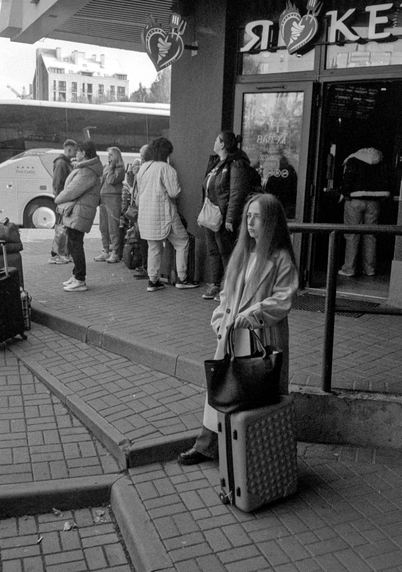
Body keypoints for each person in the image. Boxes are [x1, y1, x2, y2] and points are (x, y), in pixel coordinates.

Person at [178, 193, 299, 465]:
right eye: (248, 217)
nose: (251, 223)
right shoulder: (242, 254)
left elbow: (283, 299)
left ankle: (251, 453)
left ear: (272, 222)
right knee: (222, 388)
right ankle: (208, 444)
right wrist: (220, 321)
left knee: (255, 394)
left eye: (258, 217)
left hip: (262, 338)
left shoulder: (280, 258)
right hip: (234, 336)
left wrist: (252, 315)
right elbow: (226, 294)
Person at [136, 137, 199, 292]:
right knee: (182, 242)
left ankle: (153, 281)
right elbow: (174, 192)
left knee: (154, 247)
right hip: (165, 214)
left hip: (146, 215)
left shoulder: (144, 168)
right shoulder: (166, 168)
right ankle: (182, 279)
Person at [199, 131, 254, 302]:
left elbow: (236, 193)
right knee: (213, 251)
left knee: (226, 252)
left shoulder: (235, 165)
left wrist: (230, 218)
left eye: (217, 140)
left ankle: (229, 288)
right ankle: (216, 284)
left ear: (223, 144)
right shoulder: (216, 163)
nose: (214, 142)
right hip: (212, 215)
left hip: (223, 217)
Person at [54, 141, 103, 292]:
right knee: (74, 245)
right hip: (78, 211)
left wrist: (57, 199)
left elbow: (71, 190)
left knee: (75, 246)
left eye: (79, 152)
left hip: (79, 213)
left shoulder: (86, 171)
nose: (76, 154)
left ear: (84, 153)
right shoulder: (86, 169)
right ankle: (76, 276)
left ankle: (80, 279)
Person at [338, 147, 391, 277]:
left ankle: (349, 269)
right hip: (374, 202)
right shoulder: (381, 161)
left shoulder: (353, 160)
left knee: (352, 235)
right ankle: (369, 269)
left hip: (355, 200)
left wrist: (345, 194)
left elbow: (347, 180)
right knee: (370, 235)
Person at [94, 146, 125, 263]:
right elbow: (101, 181)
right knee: (103, 226)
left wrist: (111, 168)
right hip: (103, 197)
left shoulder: (120, 169)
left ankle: (115, 252)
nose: (109, 157)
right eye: (108, 155)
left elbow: (112, 180)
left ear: (116, 156)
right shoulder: (106, 167)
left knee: (113, 226)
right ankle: (105, 250)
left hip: (113, 198)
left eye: (111, 155)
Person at [49, 139, 77, 264]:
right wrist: (61, 199)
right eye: (75, 150)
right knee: (62, 227)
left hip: (63, 199)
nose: (76, 153)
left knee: (62, 227)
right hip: (63, 200)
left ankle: (60, 253)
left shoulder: (63, 162)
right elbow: (58, 183)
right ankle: (60, 253)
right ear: (69, 150)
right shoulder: (62, 163)